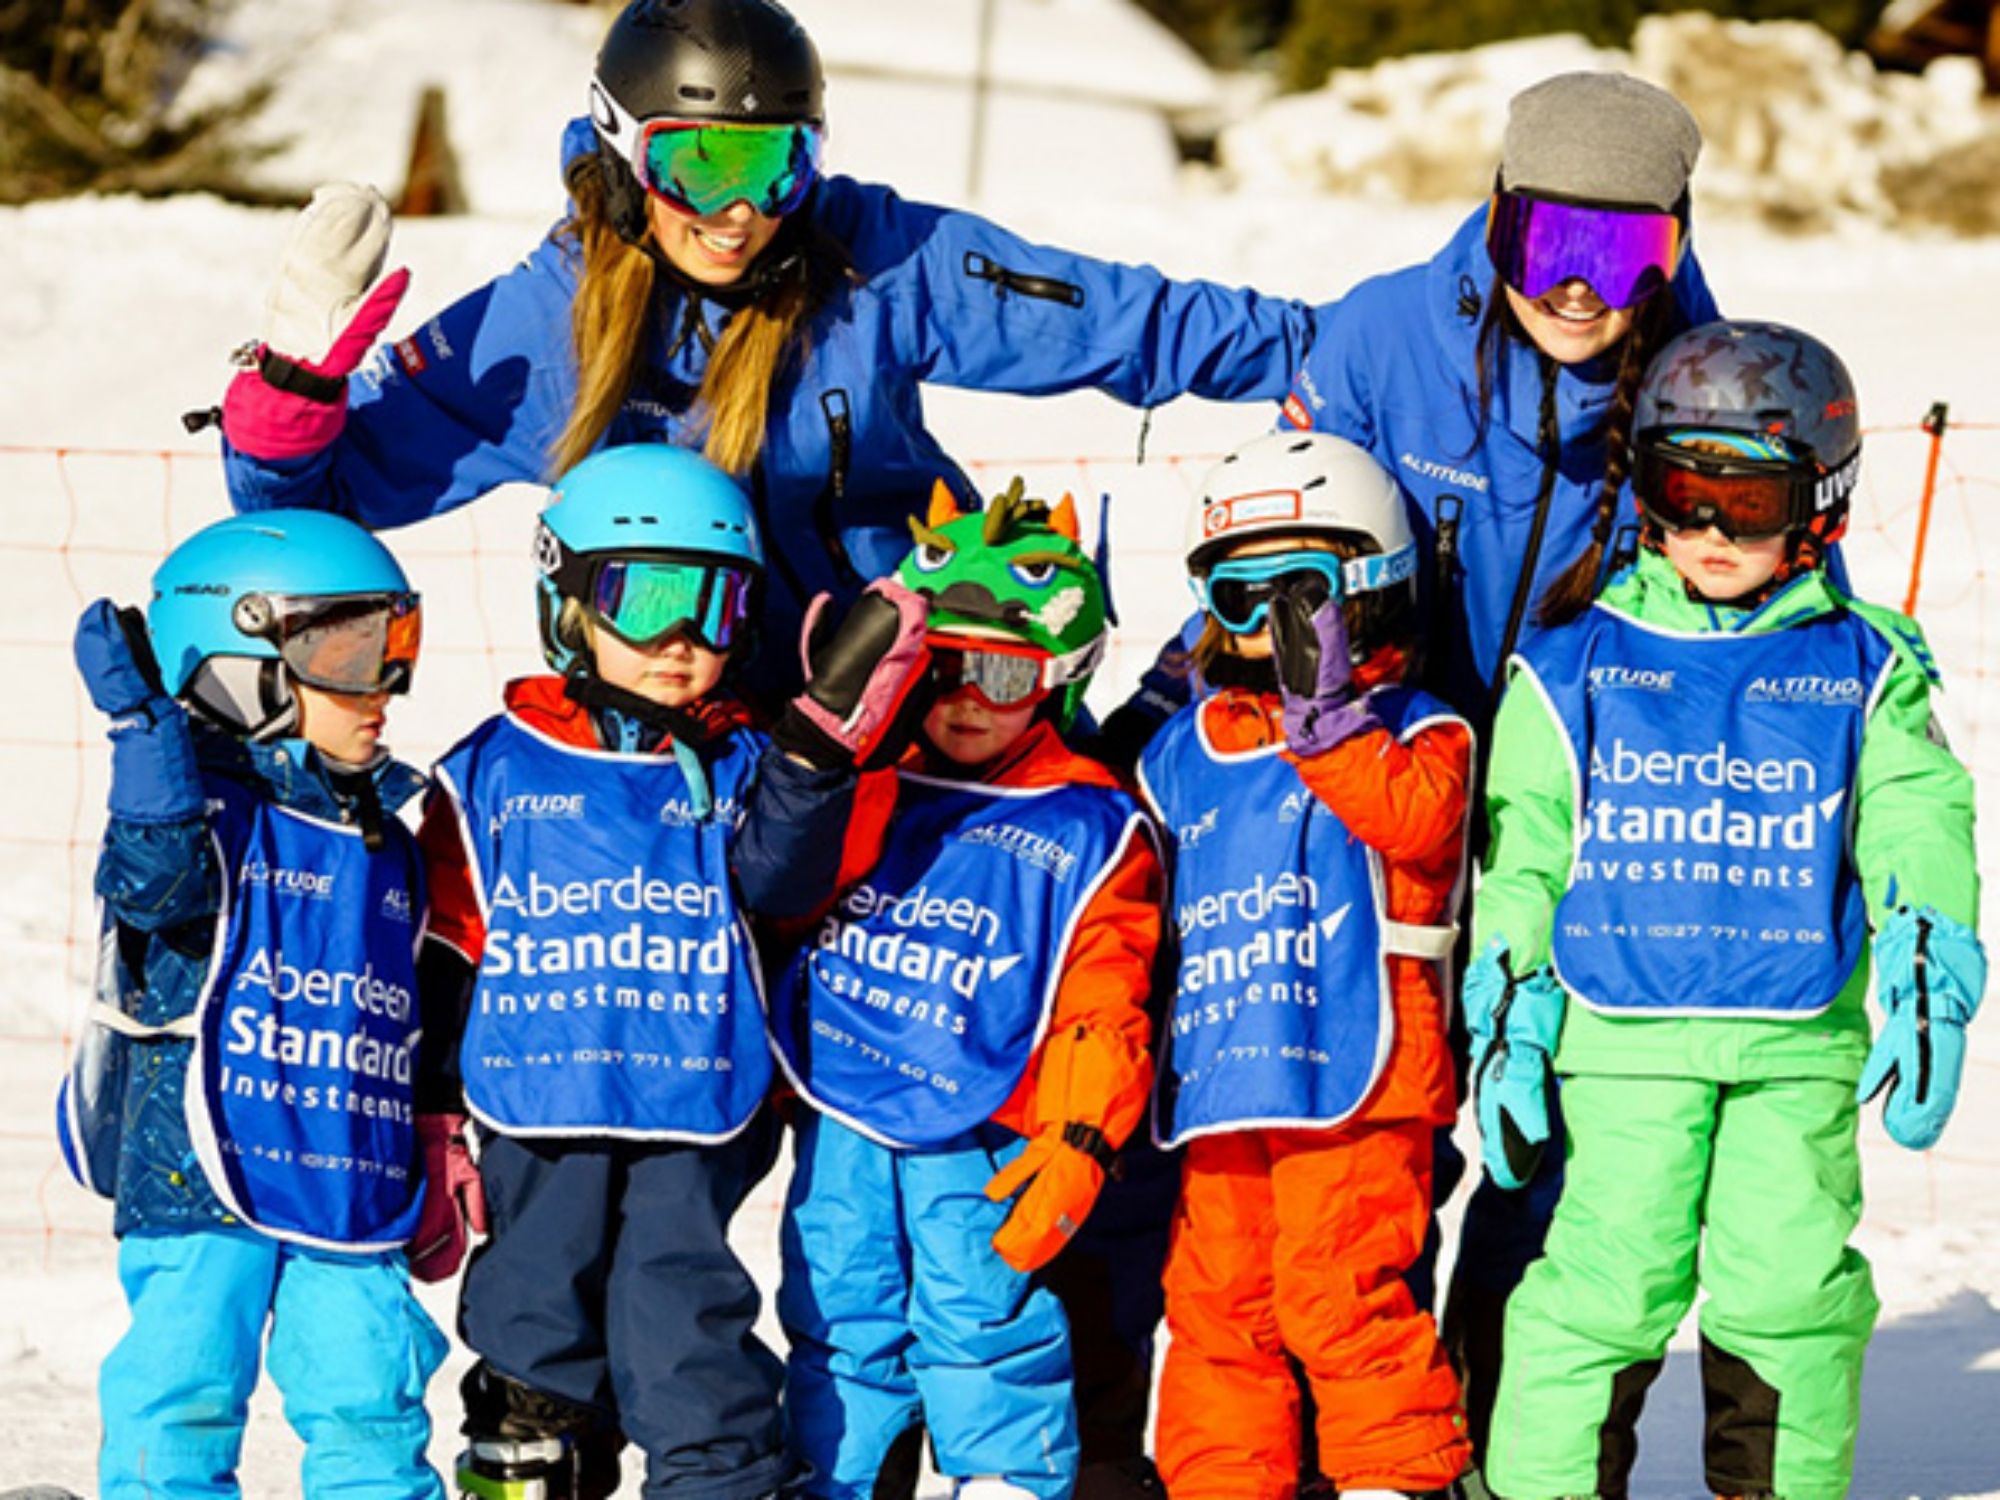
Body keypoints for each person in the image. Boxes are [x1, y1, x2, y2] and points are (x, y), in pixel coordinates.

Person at [211, 0, 1321, 713]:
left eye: (776, 164)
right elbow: (317, 504)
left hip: (929, 700)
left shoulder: (869, 256)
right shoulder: (551, 322)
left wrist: (1327, 359)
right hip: (694, 725)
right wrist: (293, 396)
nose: (740, 211)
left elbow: (1128, 320)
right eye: (697, 164)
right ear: (620, 148)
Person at [1250, 69, 1725, 1452]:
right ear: (1500, 216)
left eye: (1625, 253)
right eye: (1552, 248)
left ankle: (1522, 1456)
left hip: (1573, 842)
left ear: (1677, 245)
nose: (1581, 293)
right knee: (1361, 1155)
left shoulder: (1703, 379)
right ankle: (1338, 1450)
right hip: (1376, 818)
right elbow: (1286, 544)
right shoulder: (1385, 336)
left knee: (1550, 1166)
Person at [1466, 320, 1983, 1500]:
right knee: (1602, 1282)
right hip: (1624, 1040)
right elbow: (1528, 848)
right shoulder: (1574, 663)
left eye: (1742, 502)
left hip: (1791, 1040)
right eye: (1679, 492)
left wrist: (1924, 954)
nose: (1706, 531)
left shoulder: (1864, 665)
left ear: (1816, 502)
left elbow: (1912, 817)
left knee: (1788, 1291)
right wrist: (1507, 995)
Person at [411, 443, 934, 1500]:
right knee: (529, 1313)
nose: (680, 638)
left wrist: (812, 755)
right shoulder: (495, 767)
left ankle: (718, 1478)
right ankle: (532, 1463)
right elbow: (449, 947)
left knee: (678, 1316)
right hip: (537, 1101)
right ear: (566, 598)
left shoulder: (743, 761)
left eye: (714, 605)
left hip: (687, 1099)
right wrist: (429, 1113)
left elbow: (780, 884)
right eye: (643, 597)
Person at [765, 480, 1161, 1500]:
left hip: (987, 1126)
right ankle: (840, 1480)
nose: (969, 700)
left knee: (983, 1321)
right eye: (943, 667)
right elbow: (781, 897)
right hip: (845, 1109)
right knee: (837, 1311)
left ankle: (1003, 1482)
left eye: (1002, 670)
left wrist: (1078, 1136)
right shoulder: (875, 781)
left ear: (1059, 675)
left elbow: (1100, 995)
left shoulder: (1086, 821)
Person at [60, 511, 446, 1500]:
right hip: (198, 1169)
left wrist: (436, 1137)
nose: (384, 687)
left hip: (345, 1172)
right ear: (241, 664)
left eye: (393, 647)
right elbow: (158, 892)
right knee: (183, 1390)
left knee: (370, 1395)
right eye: (350, 652)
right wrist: (149, 745)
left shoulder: (385, 839)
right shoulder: (202, 820)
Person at [1137, 431, 1476, 1500]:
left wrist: (1326, 724)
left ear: (1371, 587)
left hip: (1357, 1079)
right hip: (1226, 1079)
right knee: (1216, 1304)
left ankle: (1388, 1479)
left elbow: (1415, 828)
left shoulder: (1418, 735)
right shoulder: (1179, 747)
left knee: (1340, 1291)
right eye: (1237, 601)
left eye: (1297, 595)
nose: (1266, 630)